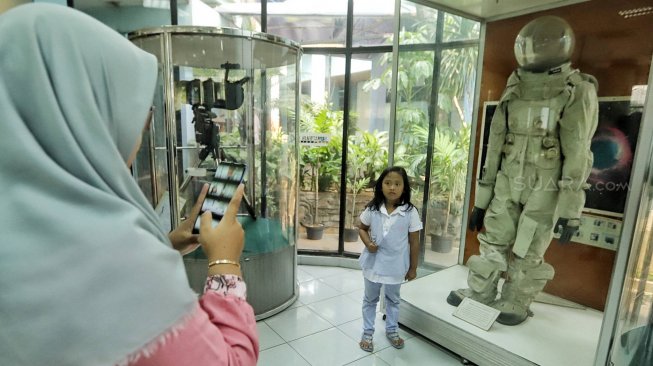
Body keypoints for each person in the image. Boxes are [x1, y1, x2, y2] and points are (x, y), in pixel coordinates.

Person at [0, 4, 258, 365]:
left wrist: (169, 242)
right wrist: (225, 260)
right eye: (137, 116)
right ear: (86, 117)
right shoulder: (113, 264)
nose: (138, 133)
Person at [447, 16, 598, 326]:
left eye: (541, 44)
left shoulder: (576, 90)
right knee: (495, 238)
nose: (533, 50)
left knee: (529, 247)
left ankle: (515, 299)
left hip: (546, 186)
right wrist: (481, 200)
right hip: (507, 180)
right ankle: (481, 292)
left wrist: (571, 210)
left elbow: (578, 152)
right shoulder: (514, 86)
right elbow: (495, 145)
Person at [357, 166, 422, 352]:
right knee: (370, 299)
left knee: (393, 299)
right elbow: (361, 227)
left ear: (404, 187)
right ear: (381, 186)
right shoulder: (373, 208)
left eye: (397, 184)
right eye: (387, 183)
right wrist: (368, 243)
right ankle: (367, 332)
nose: (392, 187)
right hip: (373, 264)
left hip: (395, 266)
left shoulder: (410, 212)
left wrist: (413, 268)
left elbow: (414, 242)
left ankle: (392, 330)